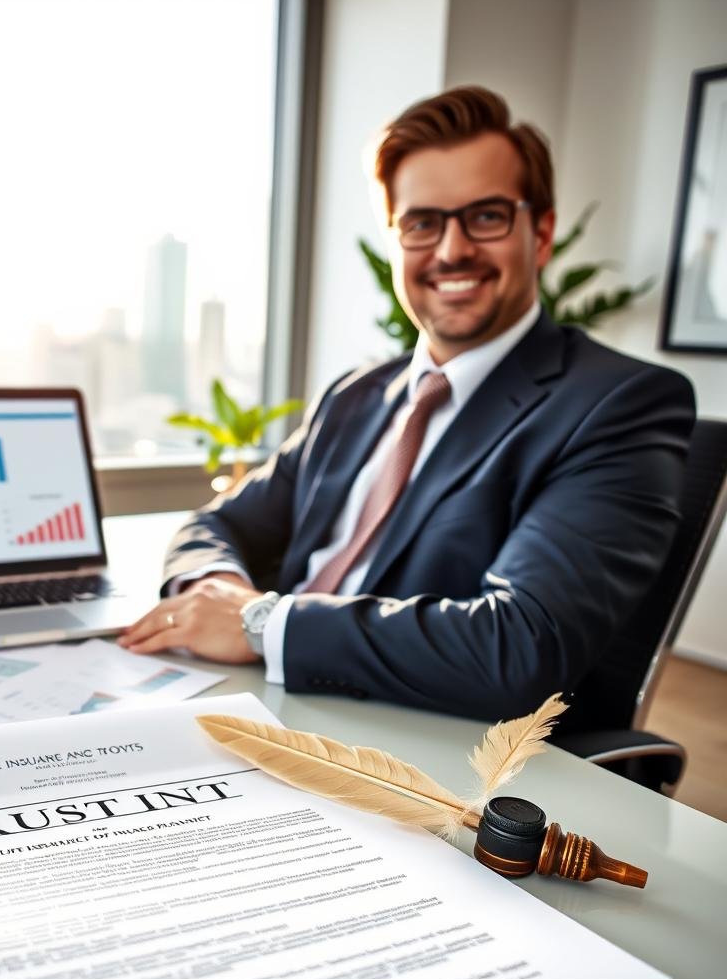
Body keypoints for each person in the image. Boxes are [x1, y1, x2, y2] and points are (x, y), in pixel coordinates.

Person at [118, 85, 696, 724]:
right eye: (422, 223)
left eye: (486, 216)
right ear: (395, 241)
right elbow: (216, 525)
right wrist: (214, 592)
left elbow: (520, 645)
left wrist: (262, 624)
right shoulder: (356, 394)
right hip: (256, 702)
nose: (451, 250)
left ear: (541, 234)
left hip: (404, 749)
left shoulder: (618, 405)